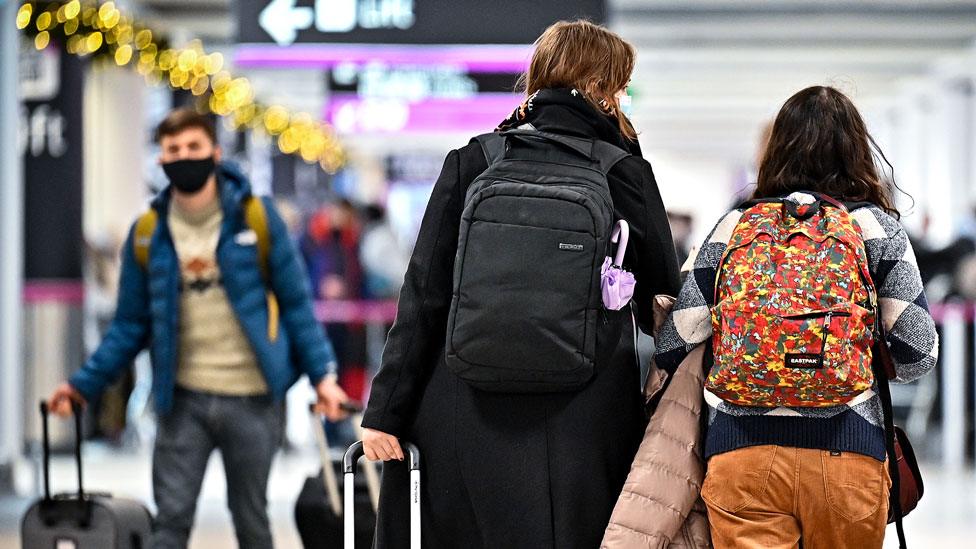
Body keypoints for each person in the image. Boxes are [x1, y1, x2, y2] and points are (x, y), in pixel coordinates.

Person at [360, 20, 681, 548]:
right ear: (601, 89)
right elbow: (663, 304)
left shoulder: (475, 158)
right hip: (583, 421)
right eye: (619, 85)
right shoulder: (623, 171)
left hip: (464, 410)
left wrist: (384, 413)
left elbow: (423, 295)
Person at [47, 108, 349, 549]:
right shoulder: (149, 232)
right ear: (161, 159)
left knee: (252, 522)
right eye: (173, 150)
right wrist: (83, 385)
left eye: (193, 147)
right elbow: (129, 325)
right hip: (181, 400)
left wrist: (324, 377)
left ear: (215, 153)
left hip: (254, 399)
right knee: (169, 524)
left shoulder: (257, 219)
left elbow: (297, 304)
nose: (183, 156)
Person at [655, 86, 939, 549]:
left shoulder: (736, 225)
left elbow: (675, 342)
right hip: (848, 454)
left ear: (775, 150)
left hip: (741, 454)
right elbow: (917, 353)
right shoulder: (875, 227)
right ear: (857, 149)